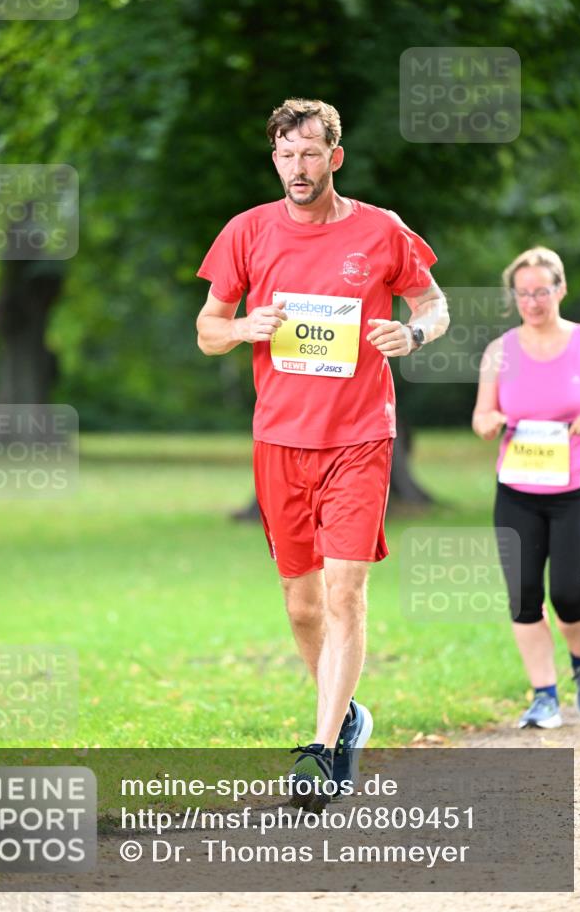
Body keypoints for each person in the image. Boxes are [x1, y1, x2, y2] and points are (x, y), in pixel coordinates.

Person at [196, 99, 449, 810]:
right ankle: (347, 717)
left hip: (360, 436)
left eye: (309, 153)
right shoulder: (247, 231)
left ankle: (322, 747)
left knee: (344, 591)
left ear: (333, 157)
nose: (296, 167)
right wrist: (246, 325)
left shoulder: (379, 230)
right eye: (284, 154)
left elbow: (433, 304)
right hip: (280, 439)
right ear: (273, 158)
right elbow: (207, 328)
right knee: (301, 602)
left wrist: (415, 335)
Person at [473, 246, 580, 728]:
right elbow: (481, 416)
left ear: (560, 289)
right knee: (524, 597)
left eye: (541, 291)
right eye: (523, 294)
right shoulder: (500, 351)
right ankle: (544, 695)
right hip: (518, 494)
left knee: (568, 595)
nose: (533, 302)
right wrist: (490, 422)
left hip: (577, 494)